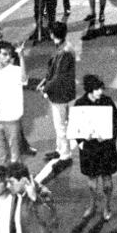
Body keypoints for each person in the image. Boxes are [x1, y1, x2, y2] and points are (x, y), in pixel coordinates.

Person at [73, 74, 117, 220]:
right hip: (89, 148)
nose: (100, 91)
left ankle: (107, 206)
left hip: (106, 147)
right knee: (92, 180)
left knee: (107, 180)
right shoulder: (80, 104)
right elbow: (75, 125)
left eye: (101, 88)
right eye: (97, 89)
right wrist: (82, 141)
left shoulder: (107, 101)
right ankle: (92, 205)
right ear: (89, 89)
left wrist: (109, 137)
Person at [0, 40, 28, 165]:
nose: (8, 57)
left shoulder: (16, 70)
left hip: (12, 120)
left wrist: (21, 57)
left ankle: (16, 175)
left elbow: (24, 79)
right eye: (4, 54)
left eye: (9, 54)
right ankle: (3, 174)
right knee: (1, 156)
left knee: (15, 155)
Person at [39, 22, 76, 169]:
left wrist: (45, 88)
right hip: (67, 91)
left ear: (52, 34)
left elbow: (58, 76)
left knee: (60, 125)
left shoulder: (62, 52)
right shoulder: (66, 47)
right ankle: (60, 149)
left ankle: (65, 155)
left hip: (60, 94)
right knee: (62, 124)